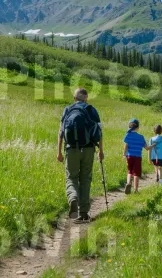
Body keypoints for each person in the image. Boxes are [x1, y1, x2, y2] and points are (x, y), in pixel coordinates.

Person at [57, 88, 104, 224]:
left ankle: (73, 198)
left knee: (71, 177)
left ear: (74, 98)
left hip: (71, 149)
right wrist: (101, 150)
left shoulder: (68, 109)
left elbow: (61, 132)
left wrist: (59, 151)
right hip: (89, 149)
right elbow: (99, 131)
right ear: (86, 98)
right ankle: (83, 213)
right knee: (85, 179)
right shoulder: (91, 110)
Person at [123, 119, 155, 194]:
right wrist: (153, 145)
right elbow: (147, 148)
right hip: (137, 157)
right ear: (138, 127)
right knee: (136, 173)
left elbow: (126, 146)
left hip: (129, 156)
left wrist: (124, 154)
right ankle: (136, 190)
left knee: (129, 171)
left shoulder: (127, 135)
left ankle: (128, 183)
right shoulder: (141, 137)